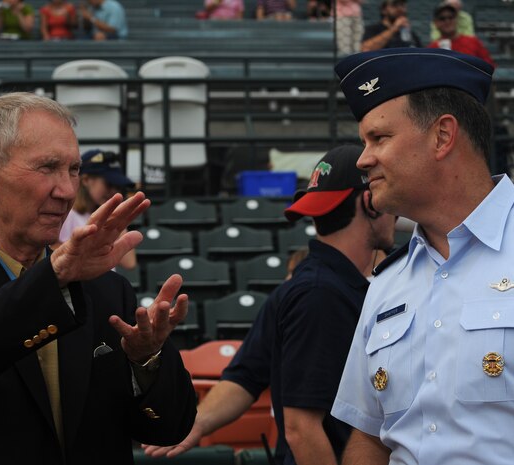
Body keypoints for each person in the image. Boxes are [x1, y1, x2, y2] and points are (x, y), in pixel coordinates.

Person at [331, 46, 514, 465]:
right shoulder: (385, 283)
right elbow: (371, 435)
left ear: (442, 136)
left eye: (379, 138)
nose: (363, 159)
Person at [0, 92, 196, 464]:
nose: (66, 191)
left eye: (74, 170)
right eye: (47, 168)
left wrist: (146, 360)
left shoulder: (108, 289)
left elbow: (170, 429)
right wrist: (51, 278)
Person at [142, 145, 397, 465]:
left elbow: (245, 377)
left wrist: (198, 423)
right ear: (369, 202)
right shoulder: (320, 295)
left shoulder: (306, 284)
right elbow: (301, 428)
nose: (394, 209)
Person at [58, 148, 137, 270]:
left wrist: (117, 218)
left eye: (117, 186)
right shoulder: (68, 214)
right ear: (85, 180)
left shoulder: (107, 216)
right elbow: (55, 259)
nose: (114, 192)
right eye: (109, 184)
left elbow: (130, 262)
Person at [428, 1, 495, 67]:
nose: (447, 21)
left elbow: (489, 66)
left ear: (456, 20)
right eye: (442, 18)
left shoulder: (473, 42)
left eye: (451, 17)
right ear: (435, 23)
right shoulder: (432, 48)